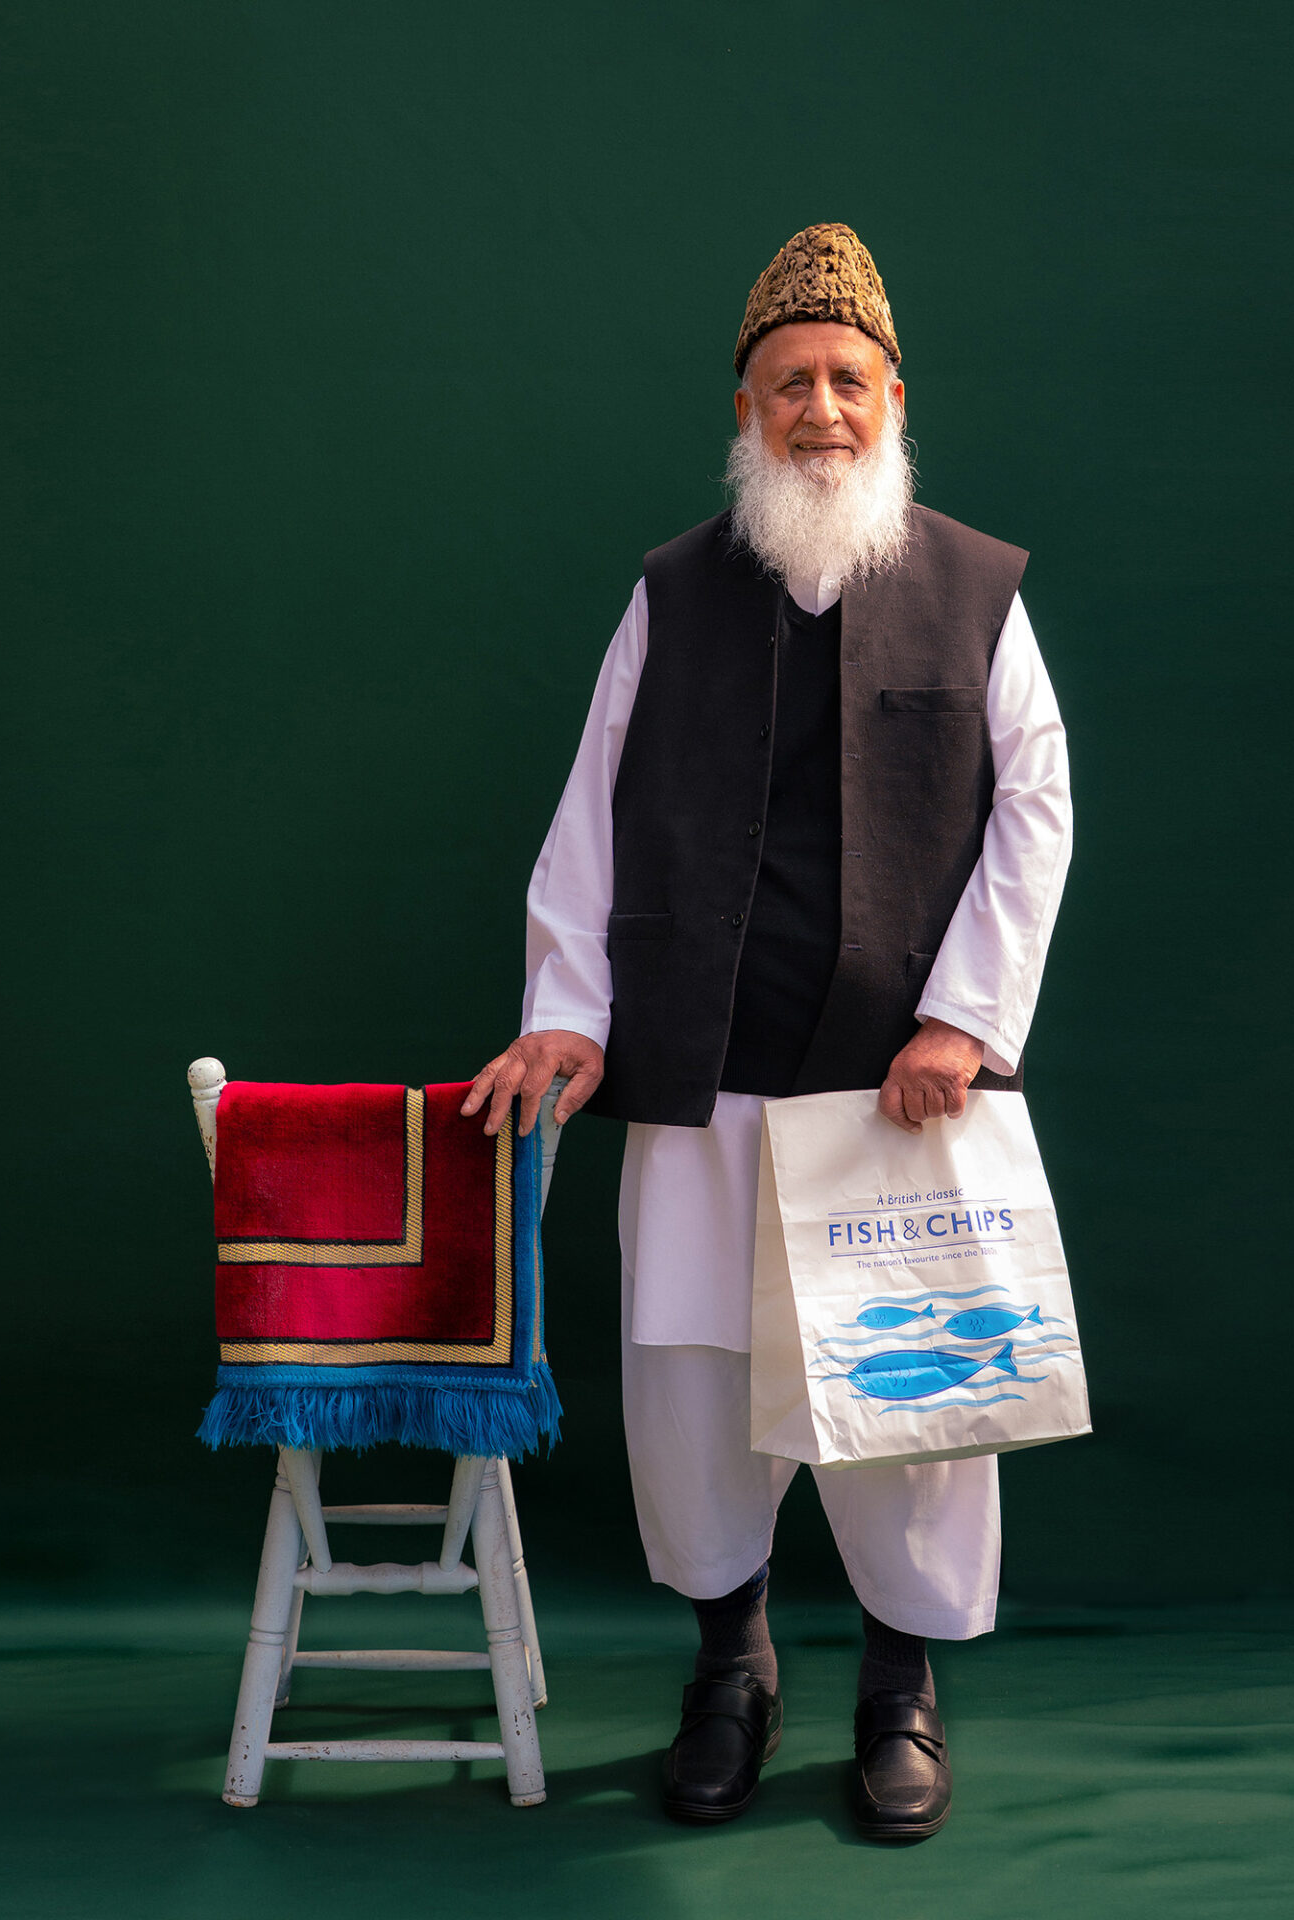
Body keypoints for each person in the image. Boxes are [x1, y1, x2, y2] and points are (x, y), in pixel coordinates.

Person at [462, 222, 1071, 1841]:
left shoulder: (976, 589)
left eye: (846, 380)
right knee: (696, 1400)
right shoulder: (671, 595)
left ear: (893, 398)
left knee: (912, 1414)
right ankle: (731, 1667)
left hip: (898, 1092)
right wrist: (570, 1017)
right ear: (744, 412)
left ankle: (898, 1690)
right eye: (788, 383)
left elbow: (1039, 815)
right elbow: (588, 818)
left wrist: (964, 1018)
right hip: (702, 1079)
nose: (820, 409)